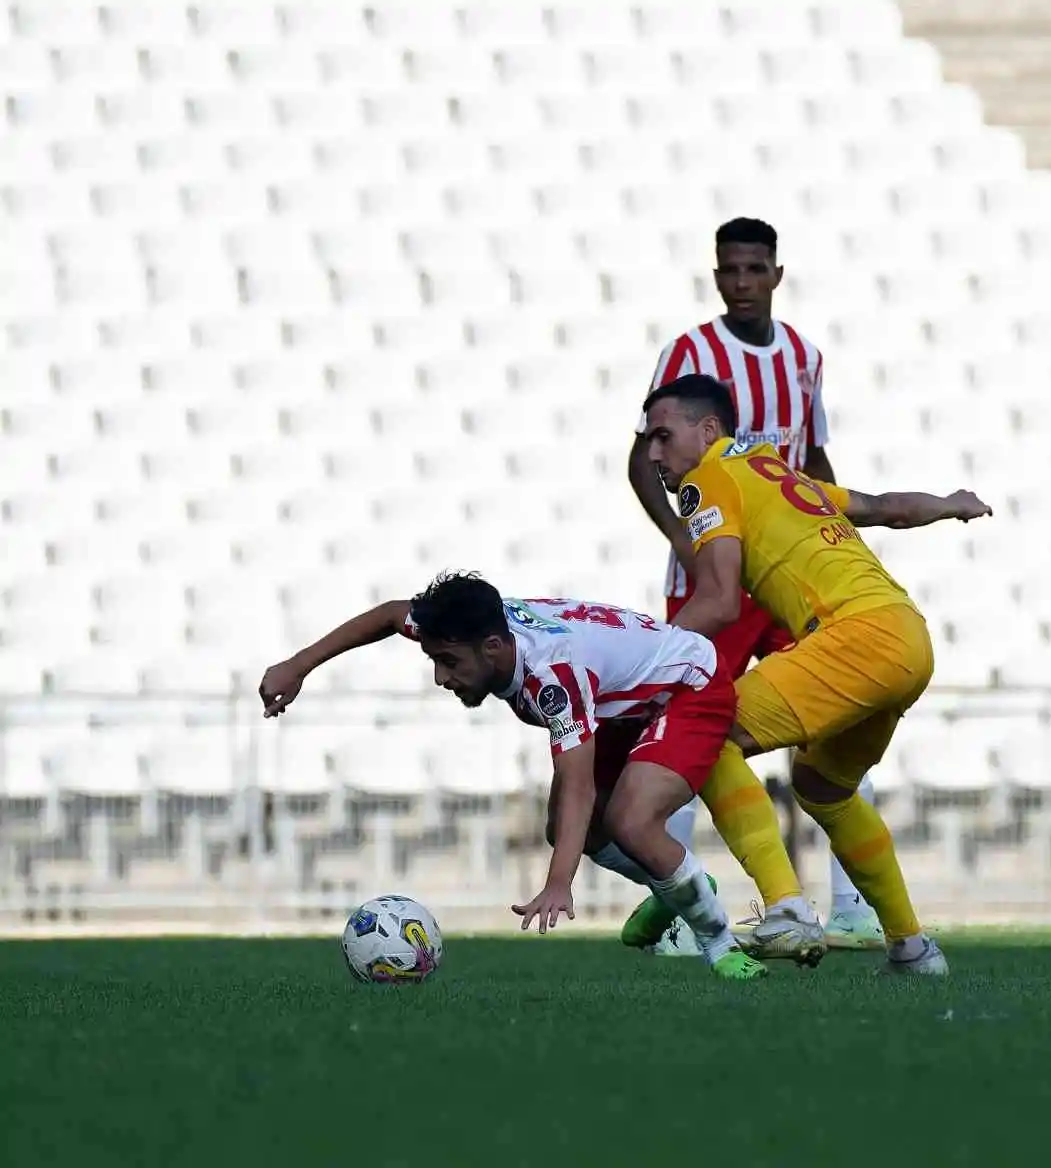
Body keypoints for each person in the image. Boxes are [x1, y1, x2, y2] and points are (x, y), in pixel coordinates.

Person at [256, 573, 832, 980]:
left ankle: (721, 947)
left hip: (691, 687)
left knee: (630, 820)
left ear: (492, 647)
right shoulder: (478, 631)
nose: (439, 676)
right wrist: (297, 665)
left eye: (449, 663)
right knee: (567, 831)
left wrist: (560, 884)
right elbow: (389, 614)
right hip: (624, 700)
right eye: (434, 658)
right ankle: (672, 887)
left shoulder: (551, 676)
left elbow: (579, 783)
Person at [641, 373, 992, 975]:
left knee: (710, 732)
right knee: (823, 786)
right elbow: (885, 510)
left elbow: (722, 600)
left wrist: (642, 657)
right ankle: (912, 947)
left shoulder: (707, 480)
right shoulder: (778, 474)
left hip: (855, 636)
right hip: (907, 636)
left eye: (663, 436)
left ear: (708, 431)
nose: (653, 455)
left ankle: (786, 907)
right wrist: (948, 504)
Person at [626, 216, 882, 954]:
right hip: (715, 579)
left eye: (754, 270)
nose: (741, 283)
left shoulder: (803, 356)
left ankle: (855, 907)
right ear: (716, 277)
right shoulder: (690, 353)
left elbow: (816, 460)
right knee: (684, 728)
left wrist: (841, 549)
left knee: (837, 719)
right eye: (729, 271)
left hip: (789, 574)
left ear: (776, 273)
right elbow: (644, 457)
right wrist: (684, 540)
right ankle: (680, 911)